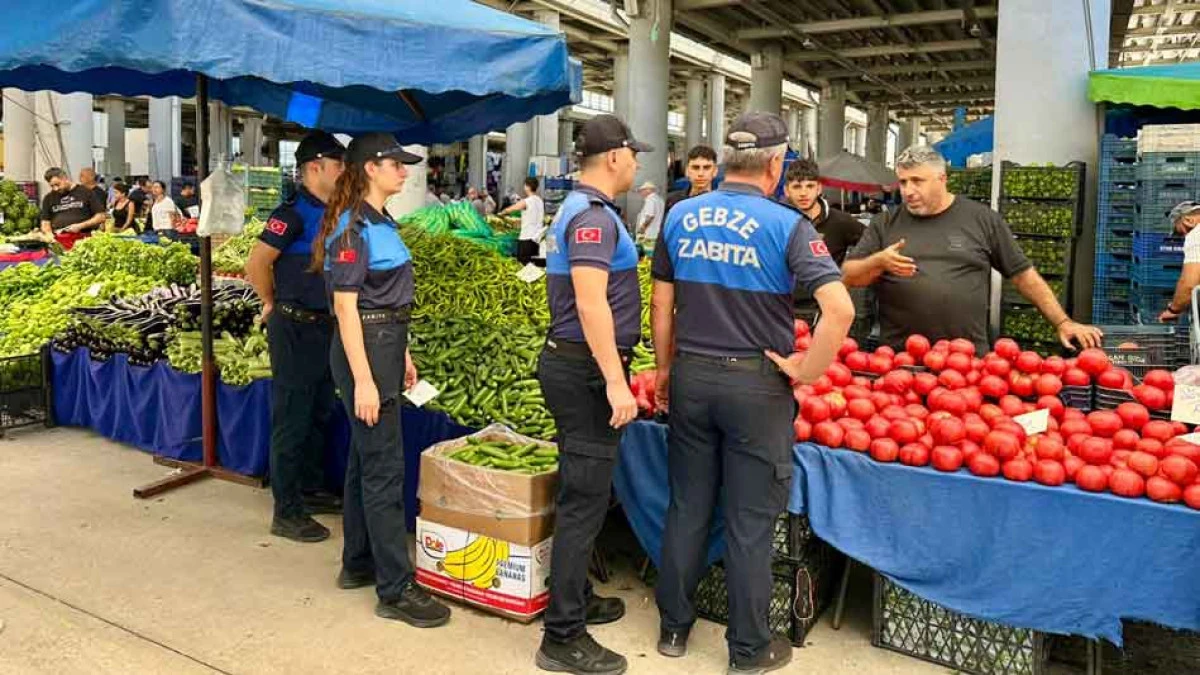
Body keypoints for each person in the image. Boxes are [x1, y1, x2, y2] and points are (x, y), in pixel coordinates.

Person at [651, 112, 855, 675]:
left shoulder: (680, 214)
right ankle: (748, 649)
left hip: (692, 376)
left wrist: (665, 370)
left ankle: (673, 629)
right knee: (749, 520)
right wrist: (807, 370)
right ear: (776, 164)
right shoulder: (789, 225)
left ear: (725, 160)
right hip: (755, 385)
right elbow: (839, 310)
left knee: (688, 506)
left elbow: (662, 305)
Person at [312, 132, 451, 628]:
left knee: (363, 460)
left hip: (385, 345)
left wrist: (403, 353)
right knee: (384, 470)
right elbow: (347, 309)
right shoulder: (352, 230)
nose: (405, 171)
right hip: (366, 352)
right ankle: (395, 588)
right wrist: (366, 381)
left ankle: (358, 562)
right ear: (370, 168)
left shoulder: (380, 221)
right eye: (396, 164)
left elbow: (386, 300)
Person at [534, 114, 648, 675]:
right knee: (583, 501)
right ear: (615, 157)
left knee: (581, 492)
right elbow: (589, 302)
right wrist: (615, 381)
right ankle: (562, 636)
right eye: (634, 155)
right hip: (585, 372)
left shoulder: (580, 208)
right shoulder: (594, 219)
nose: (637, 164)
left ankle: (575, 595)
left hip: (573, 365)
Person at [842, 145, 1103, 354]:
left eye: (917, 181)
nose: (908, 191)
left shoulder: (981, 219)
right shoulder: (885, 223)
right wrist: (878, 261)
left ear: (942, 179)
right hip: (901, 359)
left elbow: (1023, 275)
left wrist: (1062, 322)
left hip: (966, 361)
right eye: (903, 182)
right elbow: (849, 275)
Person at [245, 131, 348, 543]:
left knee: (320, 411)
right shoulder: (292, 213)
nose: (344, 171)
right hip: (294, 327)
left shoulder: (336, 210)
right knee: (292, 418)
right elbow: (257, 263)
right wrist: (271, 301)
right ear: (314, 168)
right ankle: (286, 511)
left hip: (326, 327)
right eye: (338, 164)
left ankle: (310, 488)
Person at [783, 158, 866, 322]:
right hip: (783, 308)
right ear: (786, 190)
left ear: (819, 188)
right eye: (797, 187)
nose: (803, 193)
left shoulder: (840, 221)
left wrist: (851, 273)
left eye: (810, 186)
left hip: (824, 311)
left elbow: (874, 243)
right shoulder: (776, 220)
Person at [37, 167, 106, 249]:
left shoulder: (86, 192)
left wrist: (80, 226)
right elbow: (45, 222)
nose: (55, 188)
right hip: (59, 241)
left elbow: (101, 217)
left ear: (65, 178)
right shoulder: (48, 198)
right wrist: (50, 236)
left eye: (57, 184)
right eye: (52, 186)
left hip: (84, 241)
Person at [1158, 202, 1200, 322]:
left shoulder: (1196, 234)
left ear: (1188, 220)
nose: (1184, 237)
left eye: (1180, 232)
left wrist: (1173, 310)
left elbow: (1189, 283)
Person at [500, 177, 545, 266]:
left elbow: (511, 209)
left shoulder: (527, 201)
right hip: (537, 238)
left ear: (527, 187)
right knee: (534, 266)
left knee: (523, 265)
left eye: (525, 185)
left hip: (526, 238)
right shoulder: (540, 201)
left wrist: (502, 213)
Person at [665, 145, 718, 214]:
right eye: (695, 167)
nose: (700, 173)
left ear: (715, 171)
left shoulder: (723, 203)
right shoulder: (673, 201)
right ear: (687, 171)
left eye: (706, 168)